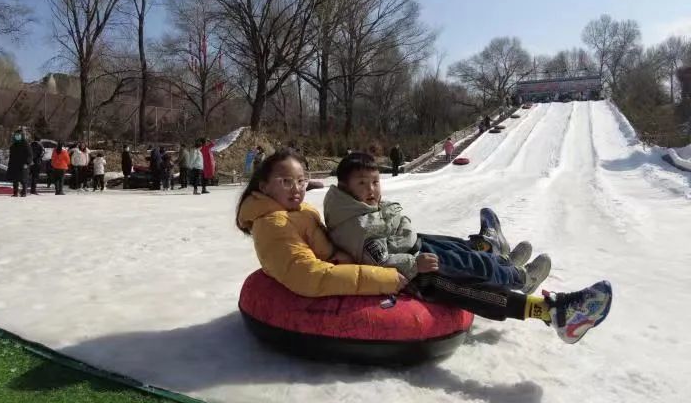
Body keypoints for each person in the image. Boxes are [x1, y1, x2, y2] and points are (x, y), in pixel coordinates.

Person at [237, 149, 613, 345]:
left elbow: (334, 248)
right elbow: (309, 275)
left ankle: (500, 264)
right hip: (383, 274)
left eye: (301, 180)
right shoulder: (273, 225)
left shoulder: (294, 212)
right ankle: (554, 313)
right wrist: (391, 277)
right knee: (457, 285)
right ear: (263, 184)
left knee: (452, 259)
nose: (298, 188)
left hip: (378, 266)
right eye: (286, 181)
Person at [324, 152, 549, 292]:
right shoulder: (356, 226)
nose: (372, 189)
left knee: (460, 246)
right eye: (362, 183)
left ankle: (505, 263)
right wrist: (414, 265)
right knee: (467, 262)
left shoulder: (357, 208)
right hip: (417, 261)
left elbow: (389, 219)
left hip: (413, 243)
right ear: (345, 188)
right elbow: (380, 262)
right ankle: (521, 279)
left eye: (375, 182)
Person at [7, 130, 33, 198]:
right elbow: (11, 156)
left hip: (23, 165)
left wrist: (27, 163)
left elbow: (30, 155)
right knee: (15, 180)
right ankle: (15, 192)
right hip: (15, 165)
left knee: (23, 179)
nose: (17, 136)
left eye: (18, 135)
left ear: (22, 136)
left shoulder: (26, 144)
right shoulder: (13, 145)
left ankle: (24, 192)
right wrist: (10, 164)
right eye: (16, 135)